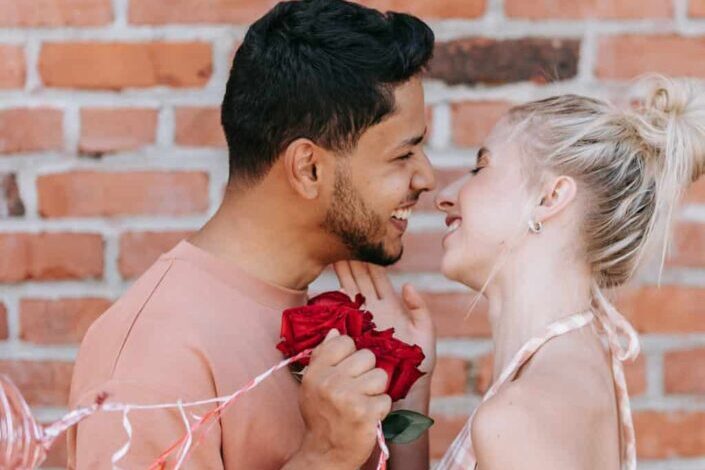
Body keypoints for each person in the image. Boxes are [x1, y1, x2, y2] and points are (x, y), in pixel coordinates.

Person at [67, 0, 437, 468]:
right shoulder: (155, 358)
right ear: (309, 168)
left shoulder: (315, 313)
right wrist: (323, 457)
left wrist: (406, 395)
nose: (427, 178)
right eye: (403, 155)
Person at [338, 75, 705, 469]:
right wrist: (413, 386)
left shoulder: (521, 416)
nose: (445, 196)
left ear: (551, 197)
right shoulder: (572, 374)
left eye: (481, 167)